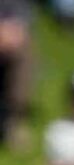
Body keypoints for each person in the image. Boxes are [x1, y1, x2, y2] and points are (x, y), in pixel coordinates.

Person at [0, 0, 34, 149]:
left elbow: (21, 11)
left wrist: (15, 29)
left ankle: (14, 122)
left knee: (24, 51)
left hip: (8, 32)